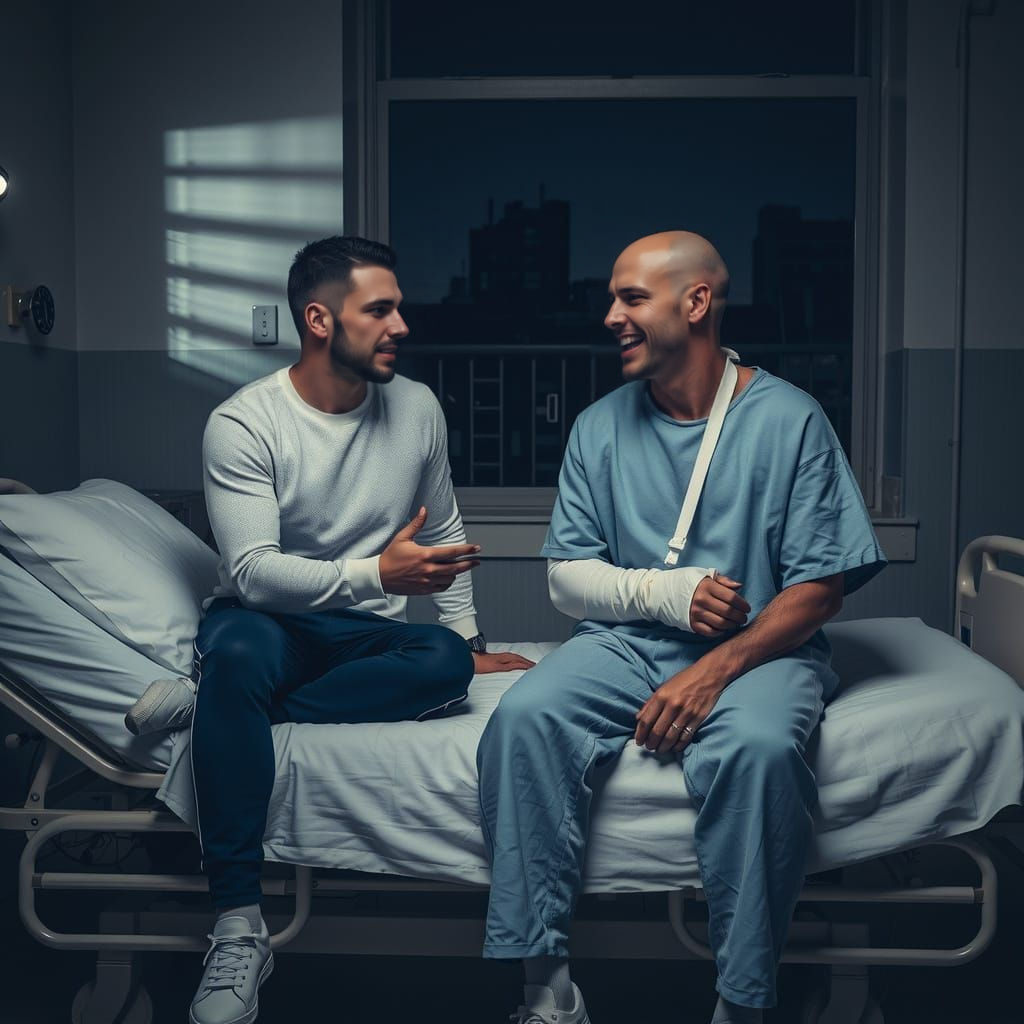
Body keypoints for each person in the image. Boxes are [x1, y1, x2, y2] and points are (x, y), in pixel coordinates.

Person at [476, 231, 886, 1024]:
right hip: (627, 643)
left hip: (765, 650)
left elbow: (821, 587)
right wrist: (668, 597)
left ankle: (742, 1001)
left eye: (631, 298)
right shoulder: (599, 428)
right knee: (525, 718)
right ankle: (545, 990)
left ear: (696, 303)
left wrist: (713, 669)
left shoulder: (789, 421)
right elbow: (569, 580)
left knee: (758, 751)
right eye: (612, 299)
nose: (610, 317)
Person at [131, 235, 534, 1024]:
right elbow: (251, 572)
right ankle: (239, 924)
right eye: (380, 309)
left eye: (399, 307)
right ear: (320, 320)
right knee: (243, 650)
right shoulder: (244, 423)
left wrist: (472, 641)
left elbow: (443, 528)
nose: (402, 325)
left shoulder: (416, 406)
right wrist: (378, 574)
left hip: (358, 629)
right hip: (267, 622)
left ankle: (221, 704)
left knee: (444, 663)